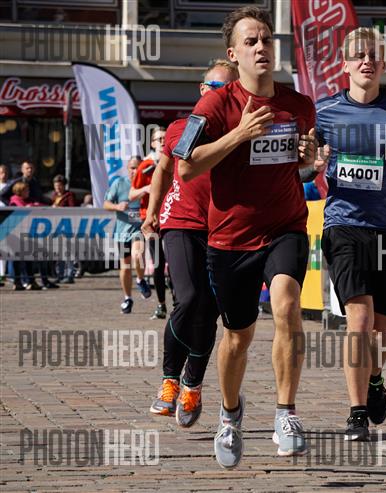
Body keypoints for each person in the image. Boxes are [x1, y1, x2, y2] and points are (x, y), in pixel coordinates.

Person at [178, 6, 322, 465]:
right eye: (251, 41)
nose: (262, 48)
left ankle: (286, 413)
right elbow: (186, 167)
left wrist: (308, 158)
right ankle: (229, 414)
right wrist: (238, 134)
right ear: (233, 53)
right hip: (231, 237)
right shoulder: (215, 106)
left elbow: (301, 164)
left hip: (285, 226)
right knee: (237, 337)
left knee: (287, 306)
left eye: (267, 40)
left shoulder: (299, 104)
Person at [315, 27, 386, 441]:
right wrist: (314, 162)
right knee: (359, 319)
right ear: (345, 64)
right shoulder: (324, 112)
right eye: (359, 56)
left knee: (383, 326)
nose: (367, 61)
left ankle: (376, 378)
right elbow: (302, 168)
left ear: (382, 64)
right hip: (344, 225)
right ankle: (356, 411)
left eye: (374, 56)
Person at [142, 58, 238, 427]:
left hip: (223, 228)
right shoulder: (181, 128)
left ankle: (192, 384)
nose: (222, 94)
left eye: (229, 89)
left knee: (209, 312)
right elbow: (164, 170)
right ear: (202, 90)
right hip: (181, 221)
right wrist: (152, 211)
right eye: (216, 87)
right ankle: (169, 381)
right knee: (188, 298)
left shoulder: (240, 131)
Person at [104, 156, 152, 313]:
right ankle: (127, 298)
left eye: (138, 168)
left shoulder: (147, 184)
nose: (134, 171)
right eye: (132, 168)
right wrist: (117, 207)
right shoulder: (119, 183)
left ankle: (140, 279)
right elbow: (106, 204)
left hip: (139, 228)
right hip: (122, 232)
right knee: (125, 266)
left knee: (137, 255)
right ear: (127, 168)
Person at [131, 127, 168, 320]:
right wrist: (145, 188)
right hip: (151, 220)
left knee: (176, 263)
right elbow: (131, 194)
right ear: (152, 143)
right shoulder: (145, 165)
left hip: (172, 217)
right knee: (158, 263)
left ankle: (180, 303)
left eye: (165, 138)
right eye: (158, 139)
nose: (162, 141)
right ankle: (161, 304)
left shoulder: (176, 160)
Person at [51, 175, 77, 283]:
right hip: (56, 227)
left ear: (64, 185)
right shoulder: (54, 196)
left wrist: (59, 208)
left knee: (68, 251)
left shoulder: (69, 195)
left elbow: (72, 208)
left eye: (60, 185)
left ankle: (70, 275)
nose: (58, 188)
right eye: (56, 185)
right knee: (59, 253)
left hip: (67, 226)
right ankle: (60, 275)